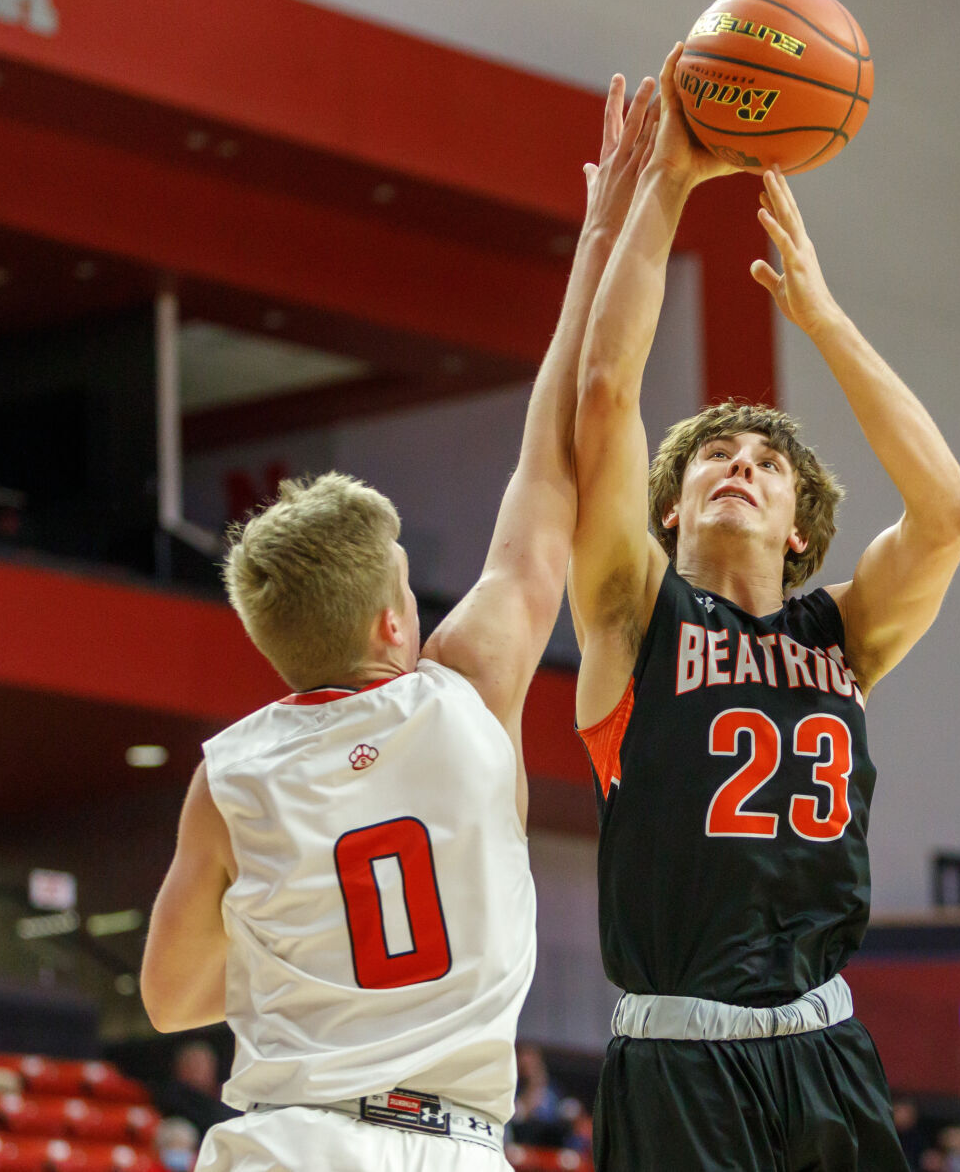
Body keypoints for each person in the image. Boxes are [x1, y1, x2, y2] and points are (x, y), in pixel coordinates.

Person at [140, 71, 661, 1172]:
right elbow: (551, 466)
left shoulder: (230, 774)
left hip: (278, 1147)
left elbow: (168, 994)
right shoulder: (467, 688)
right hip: (444, 1145)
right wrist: (601, 232)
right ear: (391, 622)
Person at [568, 42, 960, 1172]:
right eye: (711, 456)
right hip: (678, 1055)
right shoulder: (630, 614)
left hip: (826, 1041)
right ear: (669, 509)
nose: (738, 465)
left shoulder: (842, 632)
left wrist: (824, 320)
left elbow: (946, 514)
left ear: (801, 525)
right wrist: (665, 188)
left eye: (766, 460)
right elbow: (604, 399)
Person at [151, 1042, 236, 1138]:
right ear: (180, 1068)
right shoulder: (174, 1099)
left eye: (204, 1063)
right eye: (193, 1064)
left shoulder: (228, 1092)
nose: (200, 1069)